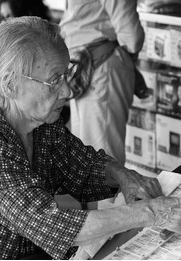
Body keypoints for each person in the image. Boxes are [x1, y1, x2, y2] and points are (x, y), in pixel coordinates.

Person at [0, 17, 181, 260]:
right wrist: (152, 212)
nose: (67, 90)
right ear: (10, 85)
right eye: (54, 80)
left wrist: (125, 176)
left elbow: (83, 164)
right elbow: (49, 222)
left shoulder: (41, 122)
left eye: (66, 75)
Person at [60, 0, 145, 165]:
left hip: (98, 66)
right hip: (90, 68)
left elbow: (131, 37)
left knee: (101, 154)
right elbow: (132, 38)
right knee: (91, 153)